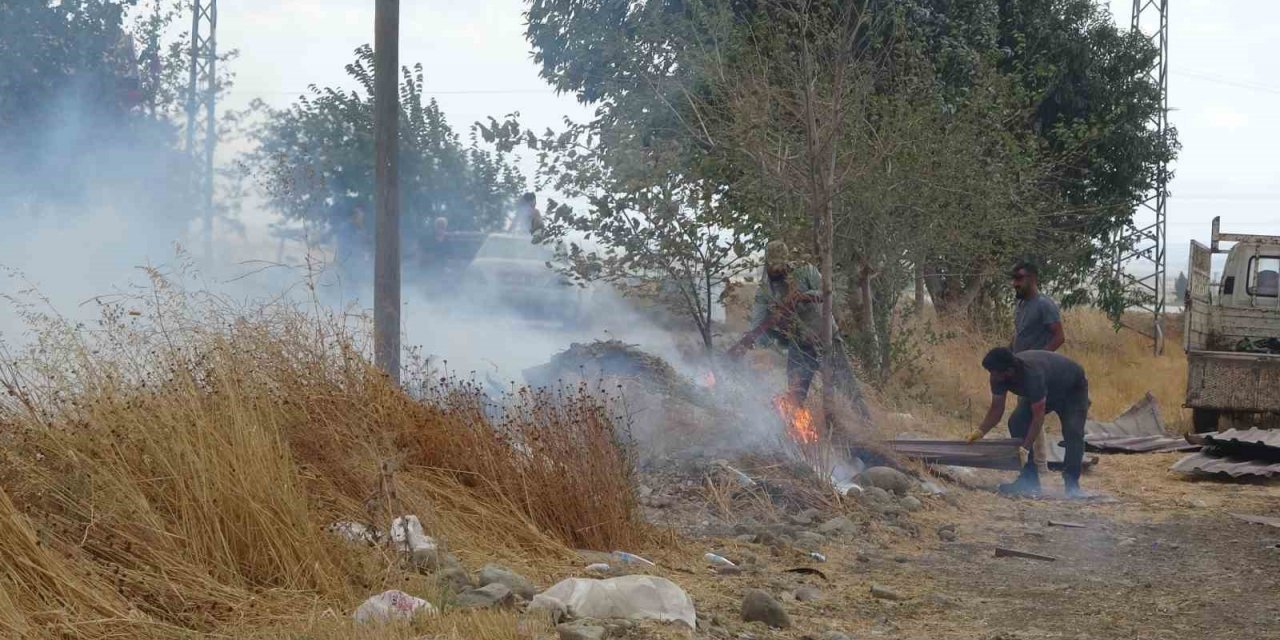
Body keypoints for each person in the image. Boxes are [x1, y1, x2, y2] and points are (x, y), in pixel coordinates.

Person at [729, 241, 868, 418]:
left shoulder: (806, 271)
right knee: (795, 394)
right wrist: (747, 343)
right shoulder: (765, 291)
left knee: (846, 385)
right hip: (799, 344)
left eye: (781, 265)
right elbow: (757, 323)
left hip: (826, 337)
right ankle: (797, 436)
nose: (777, 270)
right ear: (767, 264)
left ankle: (866, 426)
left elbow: (826, 292)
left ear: (786, 261)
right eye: (773, 266)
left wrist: (803, 297)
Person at [968, 347, 1090, 498]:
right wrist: (980, 432)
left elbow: (1037, 419)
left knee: (1073, 432)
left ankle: (1072, 485)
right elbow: (996, 409)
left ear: (1009, 371)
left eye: (995, 373)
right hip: (1045, 389)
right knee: (1016, 422)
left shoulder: (1033, 375)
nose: (992, 376)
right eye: (990, 372)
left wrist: (1025, 448)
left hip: (1072, 391)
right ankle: (1029, 479)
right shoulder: (998, 376)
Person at [1009, 260, 1065, 476]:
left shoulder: (1044, 305)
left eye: (1019, 279)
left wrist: (1040, 359)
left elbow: (1059, 336)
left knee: (1031, 416)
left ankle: (1039, 466)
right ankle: (1034, 463)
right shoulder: (1021, 304)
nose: (1015, 283)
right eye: (1013, 279)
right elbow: (1020, 333)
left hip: (1036, 372)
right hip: (1019, 369)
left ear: (1032, 279)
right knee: (1028, 417)